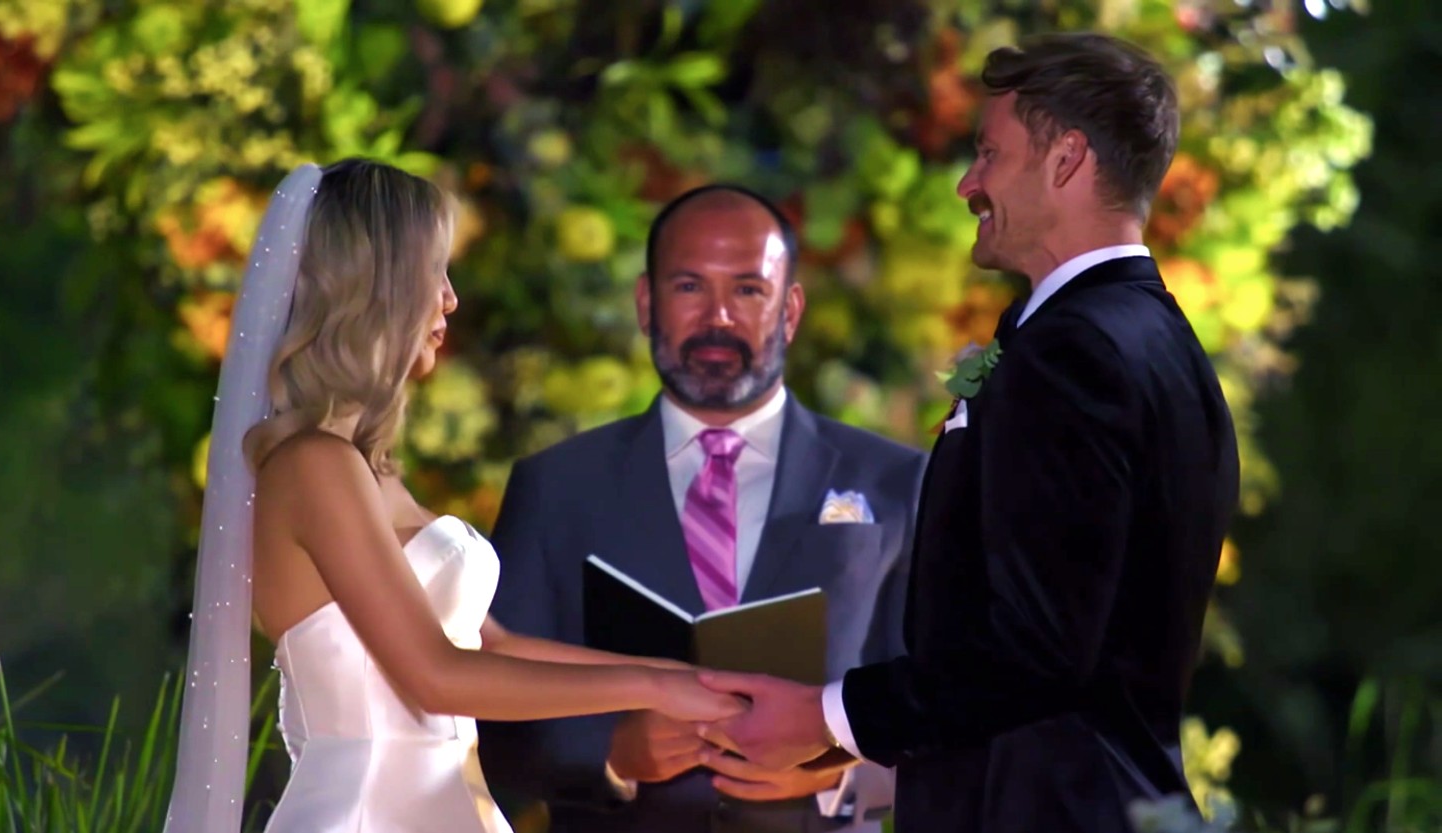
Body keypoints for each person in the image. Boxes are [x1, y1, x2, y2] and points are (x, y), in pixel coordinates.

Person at [694, 33, 1242, 833]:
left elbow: (1039, 651)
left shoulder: (1073, 352)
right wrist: (853, 744)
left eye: (989, 154)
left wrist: (825, 717)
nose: (967, 183)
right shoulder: (1157, 342)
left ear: (1067, 160)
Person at [161, 159, 744, 833]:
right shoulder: (312, 466)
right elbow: (434, 675)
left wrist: (677, 674)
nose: (449, 298)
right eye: (431, 271)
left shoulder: (367, 466)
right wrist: (648, 687)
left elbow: (489, 646)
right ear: (373, 285)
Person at [476, 184, 927, 833]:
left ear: (791, 308)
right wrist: (612, 754)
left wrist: (839, 770)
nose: (718, 317)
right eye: (689, 287)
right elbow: (489, 719)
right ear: (645, 303)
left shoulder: (897, 480)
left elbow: (954, 703)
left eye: (748, 289)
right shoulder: (555, 486)